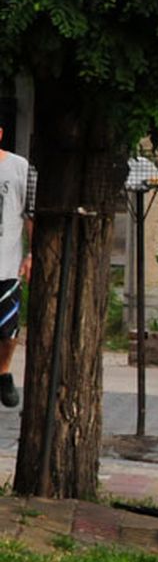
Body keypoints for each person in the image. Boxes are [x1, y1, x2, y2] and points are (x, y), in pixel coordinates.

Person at [0, 127, 35, 409]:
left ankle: (4, 370)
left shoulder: (18, 167)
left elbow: (30, 215)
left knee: (8, 330)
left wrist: (32, 254)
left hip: (7, 265)